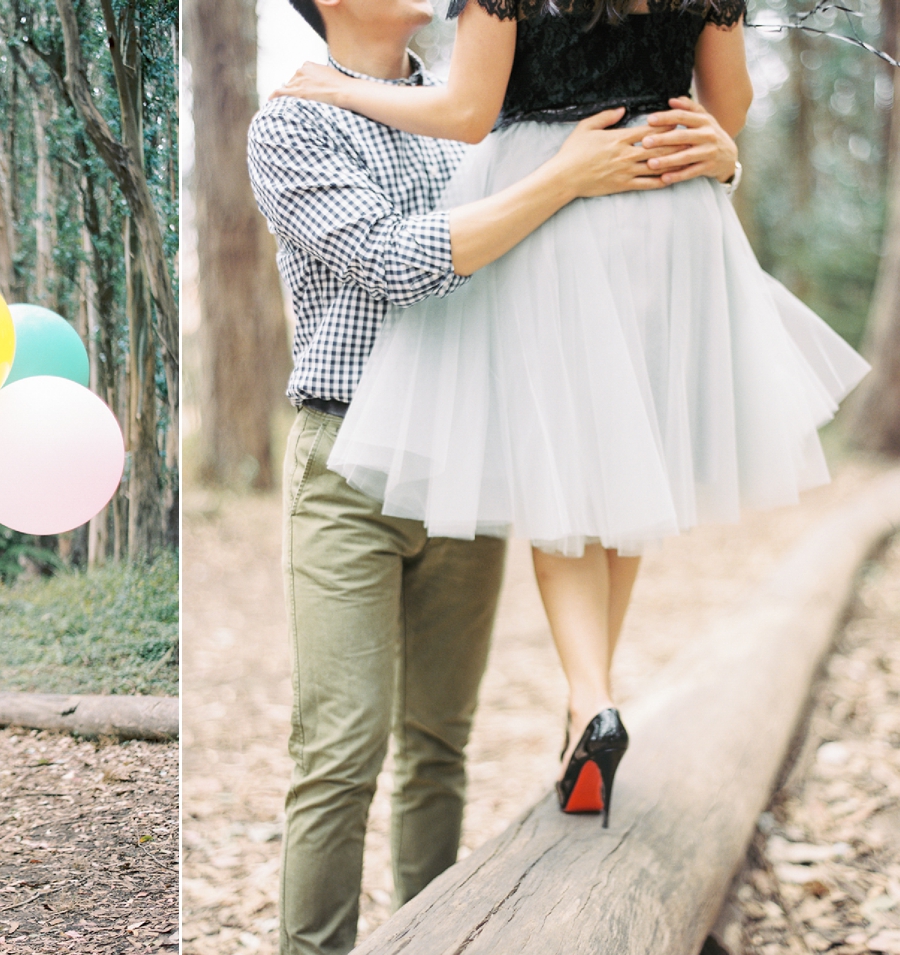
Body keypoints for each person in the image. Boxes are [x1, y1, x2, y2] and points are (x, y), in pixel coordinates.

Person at [274, 0, 866, 878]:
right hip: (669, 220)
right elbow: (728, 99)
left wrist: (340, 86)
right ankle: (586, 707)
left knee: (565, 468)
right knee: (625, 460)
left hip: (562, 212)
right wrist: (714, 151)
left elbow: (469, 113)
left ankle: (589, 701)